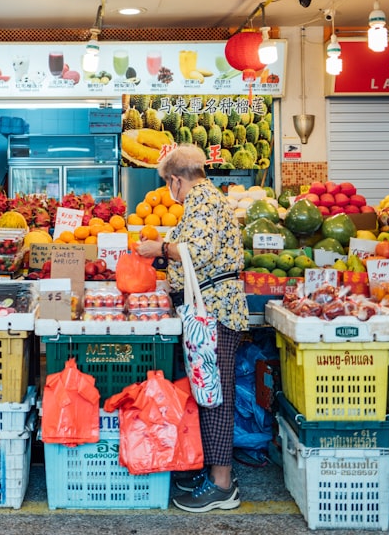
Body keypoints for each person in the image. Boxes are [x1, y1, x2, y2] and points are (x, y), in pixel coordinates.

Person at [134, 144, 246, 512]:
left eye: (170, 184)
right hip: (209, 310)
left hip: (213, 311)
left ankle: (222, 485)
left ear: (176, 180)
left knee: (215, 394)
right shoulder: (207, 199)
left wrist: (159, 248)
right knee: (209, 390)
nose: (171, 191)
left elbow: (198, 251)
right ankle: (213, 473)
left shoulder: (201, 200)